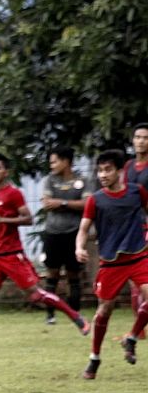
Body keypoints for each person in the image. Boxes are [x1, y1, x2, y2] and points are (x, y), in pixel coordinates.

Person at [0, 153, 88, 349]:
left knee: (36, 295)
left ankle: (75, 316)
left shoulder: (13, 193)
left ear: (6, 171)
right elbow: (0, 216)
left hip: (12, 255)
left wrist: (3, 221)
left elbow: (28, 219)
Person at [75, 149, 148, 379]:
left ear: (119, 171)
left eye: (108, 170)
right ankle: (94, 358)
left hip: (138, 256)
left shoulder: (137, 192)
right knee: (104, 310)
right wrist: (79, 247)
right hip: (110, 262)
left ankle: (132, 337)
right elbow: (84, 228)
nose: (103, 175)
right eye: (100, 170)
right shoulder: (95, 200)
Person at [38, 147, 89, 323]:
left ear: (66, 161)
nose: (51, 165)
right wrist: (72, 204)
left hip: (74, 233)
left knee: (73, 275)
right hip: (52, 233)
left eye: (54, 161)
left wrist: (62, 202)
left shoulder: (82, 181)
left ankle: (75, 314)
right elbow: (47, 204)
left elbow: (87, 204)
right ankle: (50, 315)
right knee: (52, 274)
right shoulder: (49, 181)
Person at [123, 123, 148, 338]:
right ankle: (138, 331)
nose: (140, 141)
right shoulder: (128, 167)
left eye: (145, 138)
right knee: (134, 281)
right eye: (138, 137)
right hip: (131, 229)